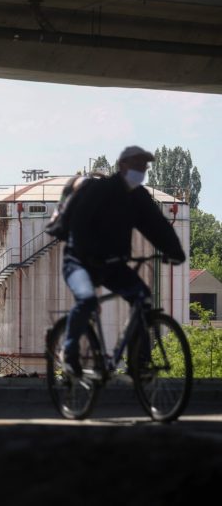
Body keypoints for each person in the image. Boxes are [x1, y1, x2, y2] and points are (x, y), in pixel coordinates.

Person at [61, 145, 185, 377]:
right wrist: (89, 254)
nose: (141, 170)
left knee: (142, 298)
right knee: (87, 299)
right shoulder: (100, 190)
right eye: (137, 165)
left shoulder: (138, 196)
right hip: (78, 260)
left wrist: (175, 251)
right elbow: (78, 224)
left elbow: (156, 225)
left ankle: (139, 362)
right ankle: (69, 354)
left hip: (112, 264)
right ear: (122, 166)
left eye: (144, 166)